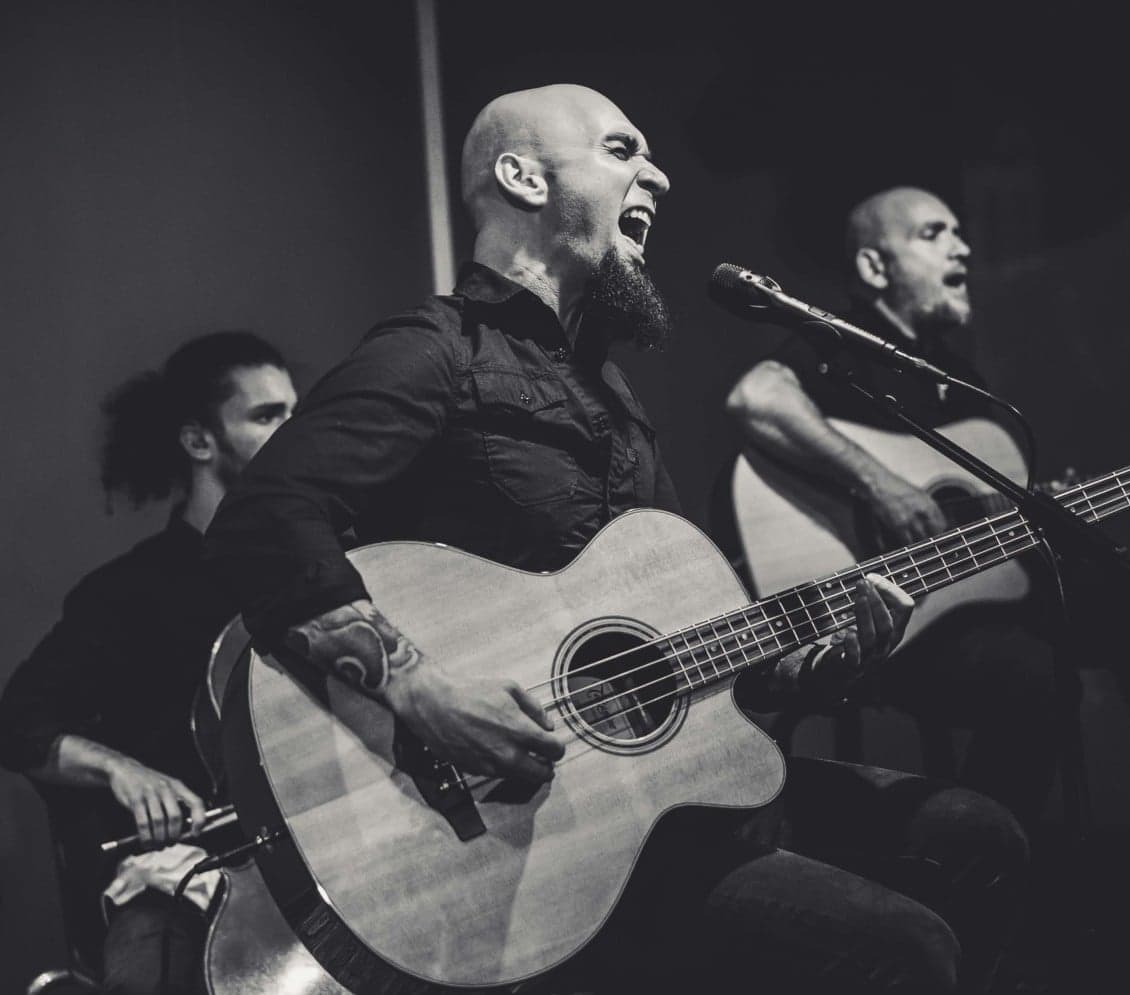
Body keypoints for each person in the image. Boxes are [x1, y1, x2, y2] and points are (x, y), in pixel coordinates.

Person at [203, 86, 1028, 994]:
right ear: (522, 177)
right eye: (621, 149)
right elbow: (264, 518)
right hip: (525, 829)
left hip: (653, 801)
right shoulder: (434, 350)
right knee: (906, 951)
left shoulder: (614, 399)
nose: (660, 174)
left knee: (977, 835)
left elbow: (696, 649)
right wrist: (426, 690)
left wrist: (815, 666)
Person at [725, 187, 1062, 826]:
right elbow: (756, 397)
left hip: (953, 613)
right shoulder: (844, 344)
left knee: (1114, 624)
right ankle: (975, 862)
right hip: (868, 624)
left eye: (961, 232)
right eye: (935, 234)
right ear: (876, 268)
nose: (962, 247)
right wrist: (882, 484)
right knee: (1033, 676)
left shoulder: (961, 379)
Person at [0, 332, 297, 994]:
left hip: (325, 855)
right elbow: (17, 720)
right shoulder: (127, 593)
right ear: (200, 442)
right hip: (188, 870)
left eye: (293, 411)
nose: (292, 430)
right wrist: (122, 770)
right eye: (265, 414)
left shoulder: (320, 567)